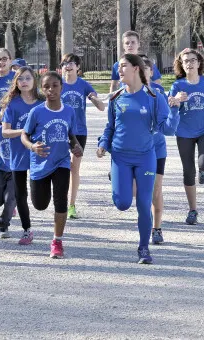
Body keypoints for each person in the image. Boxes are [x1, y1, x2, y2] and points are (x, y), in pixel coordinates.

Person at [97, 54, 170, 265]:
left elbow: (167, 128)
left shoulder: (154, 96)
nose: (119, 70)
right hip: (120, 156)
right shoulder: (116, 97)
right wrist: (103, 144)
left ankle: (144, 248)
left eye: (123, 66)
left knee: (144, 203)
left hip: (146, 157)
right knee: (122, 203)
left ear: (136, 68)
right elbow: (110, 127)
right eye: (119, 67)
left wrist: (173, 110)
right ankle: (119, 178)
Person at [21, 72, 83, 259]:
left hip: (61, 162)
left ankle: (57, 241)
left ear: (61, 87)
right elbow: (24, 135)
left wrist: (76, 145)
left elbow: (70, 134)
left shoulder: (69, 111)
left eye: (55, 85)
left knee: (60, 201)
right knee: (40, 204)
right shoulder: (37, 112)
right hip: (40, 165)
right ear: (42, 89)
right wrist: (32, 146)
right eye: (46, 86)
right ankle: (54, 233)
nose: (51, 90)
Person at [169, 49, 204, 228]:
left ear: (199, 63)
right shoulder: (178, 85)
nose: (189, 63)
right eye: (185, 61)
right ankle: (192, 210)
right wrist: (176, 99)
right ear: (181, 65)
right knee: (188, 171)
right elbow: (170, 104)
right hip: (184, 132)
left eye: (192, 60)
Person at [0, 66, 42, 245]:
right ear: (16, 82)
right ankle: (27, 230)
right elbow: (4, 132)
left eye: (27, 78)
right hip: (18, 156)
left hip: (39, 155)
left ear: (34, 81)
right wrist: (23, 131)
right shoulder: (13, 104)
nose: (24, 82)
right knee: (20, 195)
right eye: (20, 79)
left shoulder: (42, 102)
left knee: (38, 197)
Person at [59, 53, 105, 219]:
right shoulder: (57, 84)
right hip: (59, 131)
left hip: (79, 131)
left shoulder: (83, 85)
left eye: (72, 63)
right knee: (60, 167)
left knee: (74, 167)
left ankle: (71, 205)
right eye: (65, 63)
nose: (68, 66)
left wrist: (94, 98)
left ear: (78, 67)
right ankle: (60, 201)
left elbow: (101, 107)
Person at [143, 58, 181, 245]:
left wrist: (174, 110)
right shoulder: (125, 94)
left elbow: (168, 128)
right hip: (135, 150)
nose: (143, 72)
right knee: (137, 190)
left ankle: (156, 228)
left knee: (155, 189)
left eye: (147, 69)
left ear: (152, 72)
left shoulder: (159, 93)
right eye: (140, 69)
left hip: (157, 148)